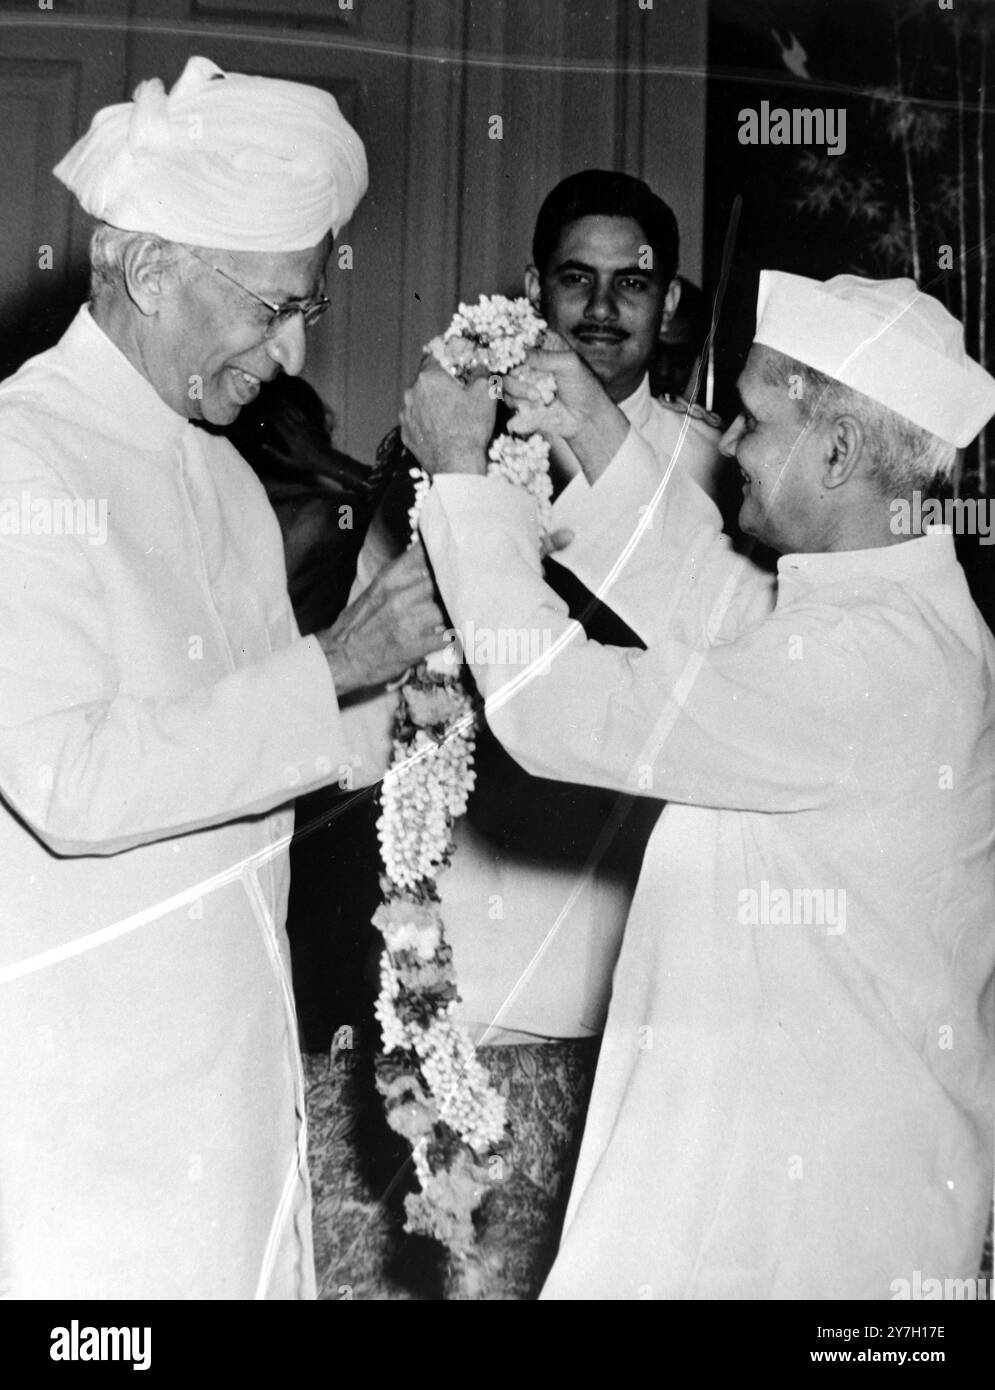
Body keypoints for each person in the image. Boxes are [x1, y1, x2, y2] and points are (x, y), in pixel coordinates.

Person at [401, 270, 995, 1298]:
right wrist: (588, 425)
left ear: (840, 452)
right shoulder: (889, 608)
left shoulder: (861, 661)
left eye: (753, 421)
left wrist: (461, 475)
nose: (724, 443)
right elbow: (707, 596)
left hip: (803, 1223)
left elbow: (555, 709)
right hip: (810, 1177)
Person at [0, 56, 446, 1300]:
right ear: (150, 274)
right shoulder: (19, 456)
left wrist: (412, 697)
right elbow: (69, 778)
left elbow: (266, 756)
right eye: (269, 309)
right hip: (79, 1095)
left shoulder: (227, 479)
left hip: (228, 1072)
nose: (294, 351)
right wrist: (339, 661)